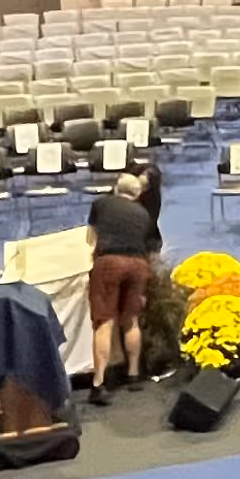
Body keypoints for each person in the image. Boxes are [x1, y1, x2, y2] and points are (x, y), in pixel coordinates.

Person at [85, 166, 164, 392]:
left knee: (104, 322)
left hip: (109, 262)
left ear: (116, 188)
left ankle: (98, 382)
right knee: (131, 321)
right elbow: (151, 246)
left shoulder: (101, 204)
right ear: (138, 194)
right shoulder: (145, 215)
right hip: (138, 265)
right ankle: (133, 374)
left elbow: (90, 238)